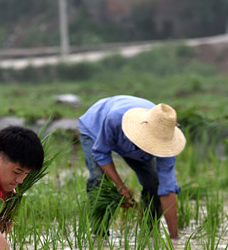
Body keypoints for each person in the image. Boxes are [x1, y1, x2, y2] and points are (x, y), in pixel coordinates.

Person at [77, 95, 186, 239]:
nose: (152, 147)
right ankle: (99, 233)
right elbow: (101, 153)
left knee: (154, 182)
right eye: (150, 142)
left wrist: (174, 239)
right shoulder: (114, 119)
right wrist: (120, 186)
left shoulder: (166, 141)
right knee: (99, 179)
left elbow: (167, 191)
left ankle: (149, 232)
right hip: (95, 128)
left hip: (128, 139)